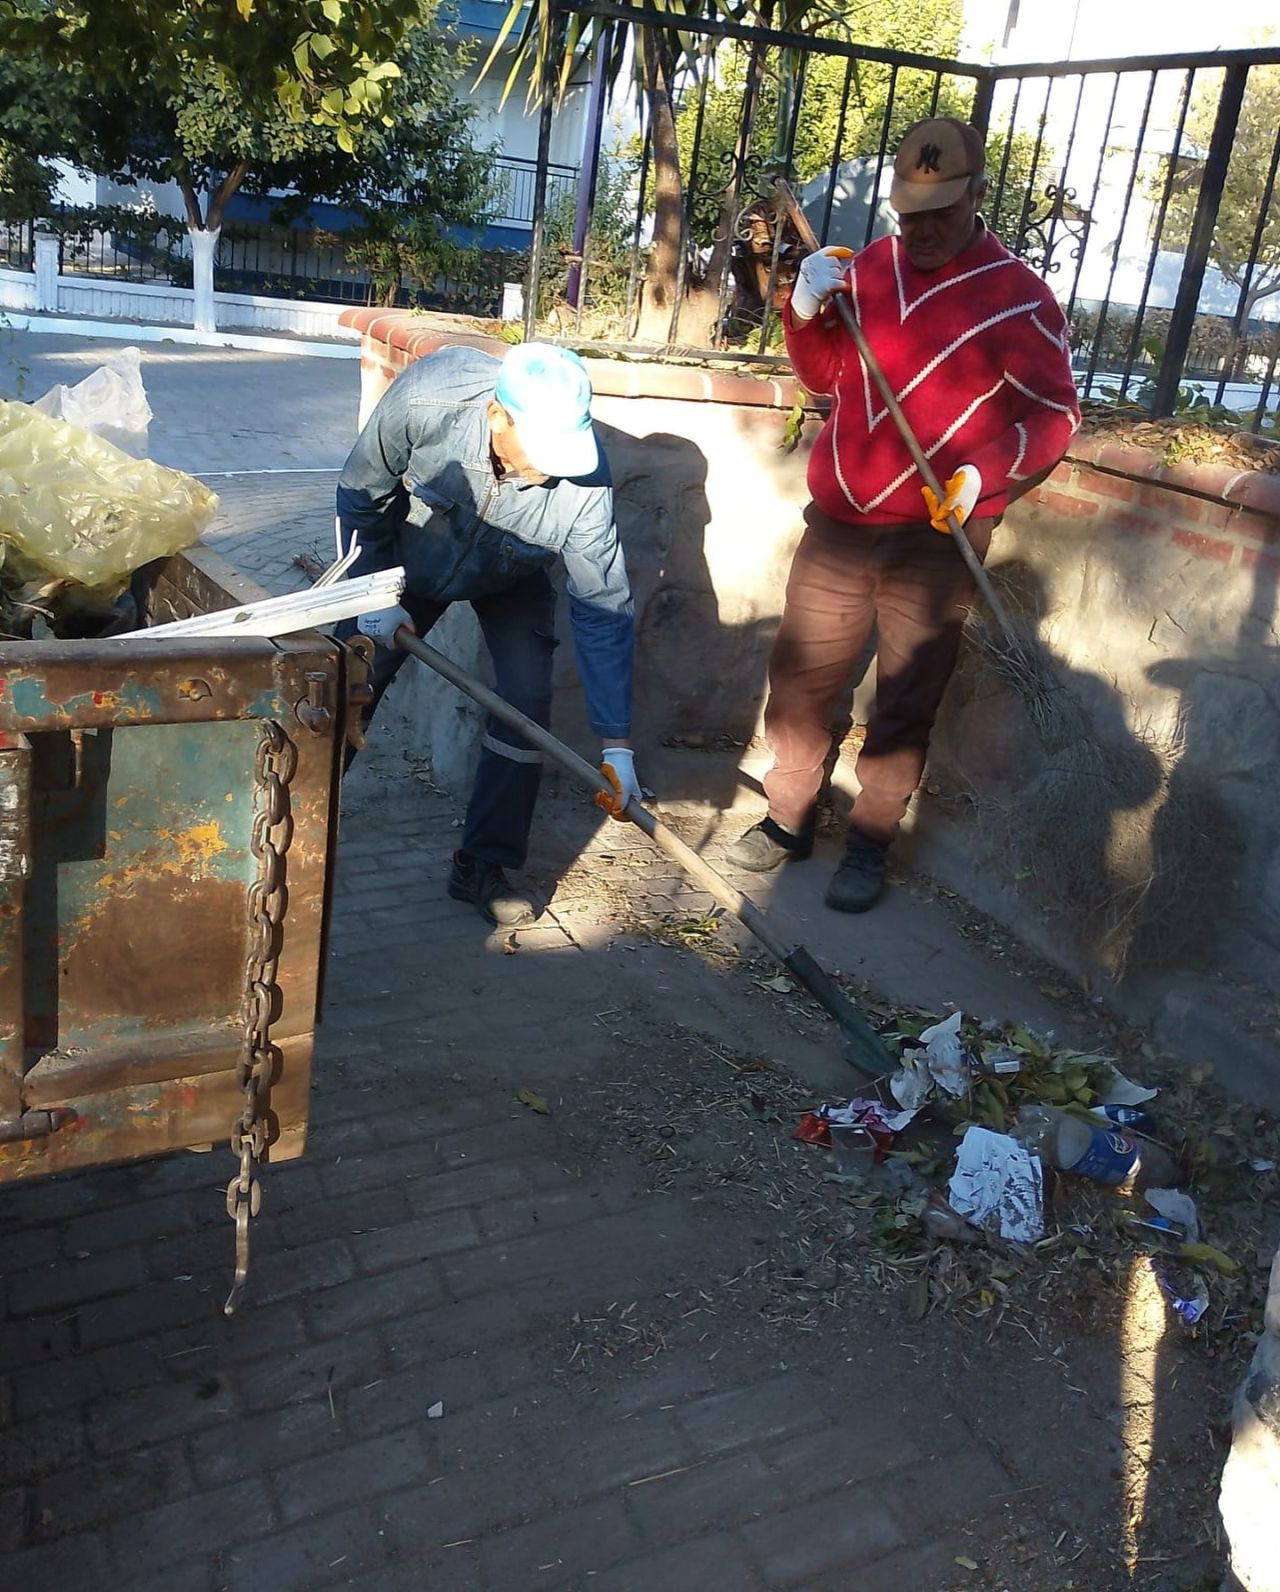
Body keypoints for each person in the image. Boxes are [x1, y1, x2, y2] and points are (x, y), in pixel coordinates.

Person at [729, 116, 1080, 912]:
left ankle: (870, 838)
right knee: (800, 678)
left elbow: (1056, 413)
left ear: (978, 196)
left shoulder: (1018, 297)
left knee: (905, 696)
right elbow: (825, 376)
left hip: (935, 533)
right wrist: (805, 311)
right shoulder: (870, 269)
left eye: (940, 214)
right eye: (910, 212)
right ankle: (788, 815)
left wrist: (983, 475)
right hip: (840, 520)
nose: (921, 231)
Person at [337, 340, 640, 928]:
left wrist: (617, 746)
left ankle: (482, 864)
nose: (552, 469)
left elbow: (604, 608)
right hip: (406, 563)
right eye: (543, 450)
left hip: (512, 573)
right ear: (497, 416)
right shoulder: (428, 400)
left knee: (525, 706)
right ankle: (291, 830)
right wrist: (375, 596)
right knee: (346, 682)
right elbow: (360, 494)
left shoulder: (585, 483)